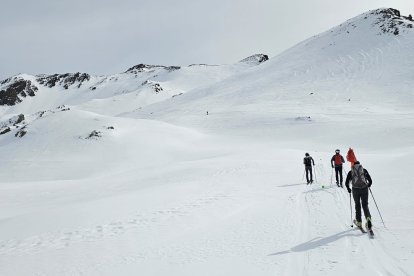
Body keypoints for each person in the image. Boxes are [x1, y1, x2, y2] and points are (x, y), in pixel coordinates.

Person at [345, 161, 373, 230]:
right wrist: (368, 185)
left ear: (354, 165)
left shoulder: (351, 171)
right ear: (359, 164)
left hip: (355, 190)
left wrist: (348, 189)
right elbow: (370, 180)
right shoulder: (364, 170)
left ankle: (359, 222)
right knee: (365, 205)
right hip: (364, 189)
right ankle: (368, 219)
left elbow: (346, 182)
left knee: (357, 205)